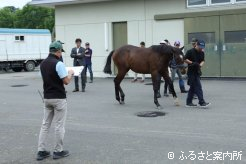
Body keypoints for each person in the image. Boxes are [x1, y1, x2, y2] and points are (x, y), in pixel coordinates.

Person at [37, 41, 74, 161]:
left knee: (45, 125)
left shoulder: (42, 64)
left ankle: (41, 151)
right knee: (59, 126)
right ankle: (58, 151)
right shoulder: (59, 64)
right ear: (58, 51)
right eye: (60, 52)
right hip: (58, 98)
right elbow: (66, 81)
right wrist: (70, 73)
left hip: (47, 97)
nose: (60, 54)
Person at [184, 40, 211, 108]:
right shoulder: (190, 51)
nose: (201, 48)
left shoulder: (202, 52)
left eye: (202, 47)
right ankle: (201, 102)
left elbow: (203, 60)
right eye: (200, 47)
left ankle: (188, 102)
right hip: (191, 72)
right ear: (196, 45)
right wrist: (192, 63)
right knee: (198, 86)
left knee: (193, 88)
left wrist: (200, 65)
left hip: (197, 71)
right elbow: (184, 59)